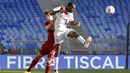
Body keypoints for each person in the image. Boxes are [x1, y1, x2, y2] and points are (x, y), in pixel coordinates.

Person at [47, 2, 92, 73]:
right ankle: (56, 70)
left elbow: (71, 22)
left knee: (74, 33)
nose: (73, 10)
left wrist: (76, 23)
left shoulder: (71, 14)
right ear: (68, 6)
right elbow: (50, 13)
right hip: (58, 32)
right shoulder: (60, 8)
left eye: (74, 9)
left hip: (65, 29)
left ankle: (85, 43)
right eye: (72, 8)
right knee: (58, 49)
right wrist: (59, 10)